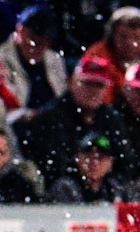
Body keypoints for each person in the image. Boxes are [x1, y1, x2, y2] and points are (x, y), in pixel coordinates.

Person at [18, 55, 131, 192]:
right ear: (71, 82)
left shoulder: (111, 118)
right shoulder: (50, 118)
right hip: (63, 193)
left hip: (103, 187)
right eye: (87, 83)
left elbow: (125, 162)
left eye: (99, 85)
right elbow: (53, 167)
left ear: (106, 89)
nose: (93, 91)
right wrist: (89, 170)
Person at [81, 6, 140, 111]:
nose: (130, 43)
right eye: (123, 36)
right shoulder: (98, 54)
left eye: (137, 37)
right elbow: (101, 103)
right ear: (112, 37)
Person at [0, 5, 68, 116]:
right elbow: (2, 108)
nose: (39, 47)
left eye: (45, 41)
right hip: (17, 124)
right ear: (20, 31)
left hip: (55, 122)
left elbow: (63, 97)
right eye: (34, 40)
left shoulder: (54, 59)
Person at [47, 129, 127, 201]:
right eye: (89, 157)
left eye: (100, 158)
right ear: (77, 158)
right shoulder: (64, 188)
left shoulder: (115, 190)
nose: (95, 163)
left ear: (110, 163)